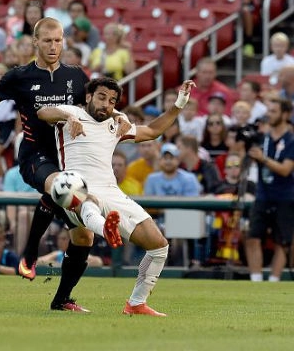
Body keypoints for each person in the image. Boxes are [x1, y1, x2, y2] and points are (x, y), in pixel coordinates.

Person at [0, 17, 123, 312]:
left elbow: (99, 106)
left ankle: (61, 300)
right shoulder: (20, 76)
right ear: (35, 42)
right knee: (61, 184)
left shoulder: (76, 76)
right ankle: (30, 253)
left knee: (83, 236)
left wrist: (119, 117)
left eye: (58, 40)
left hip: (68, 158)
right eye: (47, 41)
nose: (54, 46)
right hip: (34, 157)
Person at [37, 77, 194, 315]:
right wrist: (68, 117)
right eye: (101, 97)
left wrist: (179, 103)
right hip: (75, 185)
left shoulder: (115, 124)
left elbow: (152, 130)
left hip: (111, 190)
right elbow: (43, 112)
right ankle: (105, 230)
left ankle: (136, 303)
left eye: (112, 101)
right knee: (88, 200)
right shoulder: (72, 113)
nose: (106, 105)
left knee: (159, 245)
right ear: (88, 97)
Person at [246, 97, 294, 282]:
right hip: (263, 194)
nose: (269, 115)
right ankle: (256, 279)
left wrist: (263, 159)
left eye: (274, 111)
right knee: (252, 237)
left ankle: (274, 280)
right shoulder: (263, 138)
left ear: (285, 114)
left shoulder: (291, 140)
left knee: (282, 241)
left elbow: (285, 170)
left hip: (285, 196)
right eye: (269, 111)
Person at [37, 227, 103, 268]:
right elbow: (39, 261)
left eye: (63, 239)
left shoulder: (80, 254)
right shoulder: (58, 254)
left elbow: (98, 261)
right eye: (59, 239)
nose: (60, 242)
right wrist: (59, 265)